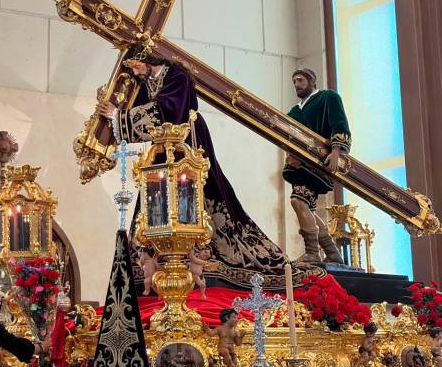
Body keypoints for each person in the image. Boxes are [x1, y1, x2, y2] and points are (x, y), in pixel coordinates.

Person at [95, 45, 323, 289]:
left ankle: (200, 251)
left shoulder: (176, 76)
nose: (136, 72)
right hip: (162, 150)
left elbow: (167, 110)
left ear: (149, 59)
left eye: (137, 65)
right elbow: (135, 114)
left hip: (189, 143)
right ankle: (155, 257)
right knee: (157, 197)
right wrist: (115, 115)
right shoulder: (146, 81)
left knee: (200, 195)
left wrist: (118, 116)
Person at [283, 68, 350, 264]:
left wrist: (336, 152)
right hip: (300, 168)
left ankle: (313, 252)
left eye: (301, 80)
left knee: (298, 202)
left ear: (312, 81)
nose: (296, 84)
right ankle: (332, 252)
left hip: (320, 163)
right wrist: (290, 156)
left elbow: (339, 124)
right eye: (294, 81)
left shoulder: (327, 97)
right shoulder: (294, 112)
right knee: (307, 208)